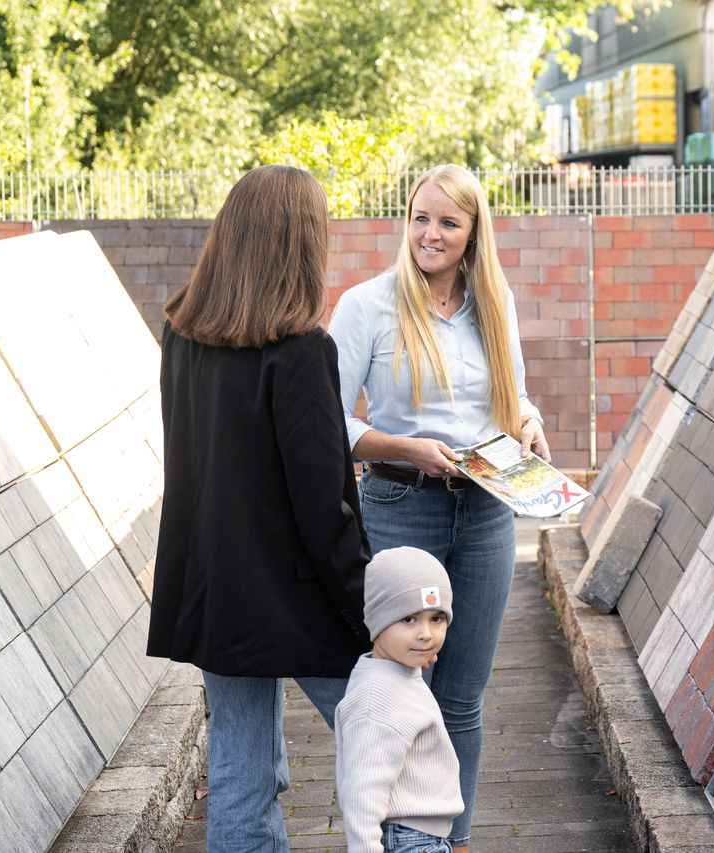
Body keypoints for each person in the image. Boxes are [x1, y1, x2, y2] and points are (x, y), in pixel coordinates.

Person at [146, 164, 371, 853]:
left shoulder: (182, 334)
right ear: (300, 240)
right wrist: (372, 603)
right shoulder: (302, 350)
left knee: (240, 774)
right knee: (403, 755)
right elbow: (323, 502)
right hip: (299, 595)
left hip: (216, 591)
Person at [327, 163, 550, 851]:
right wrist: (405, 446)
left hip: (486, 509)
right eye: (420, 218)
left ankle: (449, 843)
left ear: (472, 232)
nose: (430, 233)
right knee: (395, 694)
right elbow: (327, 424)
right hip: (398, 504)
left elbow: (508, 402)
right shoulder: (366, 306)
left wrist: (530, 423)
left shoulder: (494, 304)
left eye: (448, 222)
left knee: (461, 699)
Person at [336, 547, 464, 853]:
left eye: (437, 619)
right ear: (379, 622)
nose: (426, 634)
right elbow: (362, 794)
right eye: (408, 619)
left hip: (419, 837)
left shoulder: (392, 673)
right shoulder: (378, 698)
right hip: (410, 841)